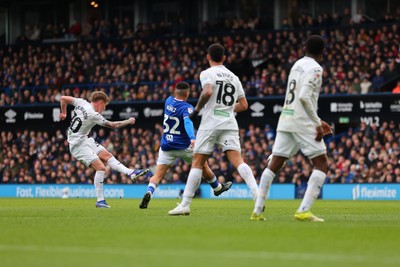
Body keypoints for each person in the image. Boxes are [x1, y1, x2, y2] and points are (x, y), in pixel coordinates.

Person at [168, 43, 259, 216]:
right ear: (224, 58)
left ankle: (185, 204)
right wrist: (225, 109)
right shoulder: (234, 77)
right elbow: (244, 105)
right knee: (238, 161)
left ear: (208, 57)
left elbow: (208, 92)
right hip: (229, 122)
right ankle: (257, 195)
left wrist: (196, 110)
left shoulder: (207, 73)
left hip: (210, 122)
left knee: (197, 162)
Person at [251, 35, 332, 222]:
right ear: (322, 52)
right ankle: (303, 210)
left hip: (286, 118)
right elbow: (304, 97)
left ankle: (257, 210)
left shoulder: (296, 64)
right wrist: (316, 122)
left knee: (275, 163)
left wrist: (317, 119)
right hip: (302, 121)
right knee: (321, 164)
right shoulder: (316, 68)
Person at [139, 82, 232, 209]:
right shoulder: (187, 107)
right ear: (187, 93)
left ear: (175, 92)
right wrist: (192, 138)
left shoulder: (168, 101)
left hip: (166, 146)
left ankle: (149, 192)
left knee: (158, 175)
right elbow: (188, 122)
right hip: (183, 146)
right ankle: (216, 188)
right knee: (202, 164)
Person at [59, 91, 149, 208]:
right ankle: (100, 201)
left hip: (84, 139)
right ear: (100, 103)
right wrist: (128, 121)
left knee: (107, 155)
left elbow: (63, 98)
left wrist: (64, 113)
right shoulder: (93, 114)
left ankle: (130, 172)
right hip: (77, 145)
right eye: (104, 106)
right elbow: (113, 125)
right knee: (101, 168)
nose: (104, 108)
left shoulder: (81, 102)